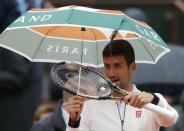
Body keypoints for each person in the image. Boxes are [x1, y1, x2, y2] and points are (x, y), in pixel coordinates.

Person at [65, 39, 178, 131]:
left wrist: (155, 99)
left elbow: (172, 119)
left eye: (117, 66)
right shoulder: (89, 105)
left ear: (132, 67)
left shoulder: (149, 100)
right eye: (107, 66)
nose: (111, 73)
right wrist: (73, 122)